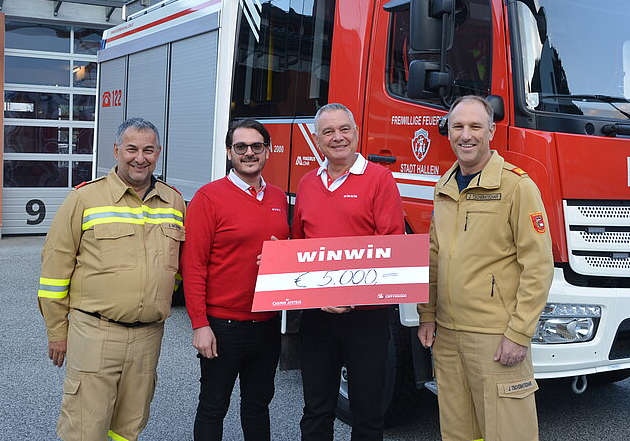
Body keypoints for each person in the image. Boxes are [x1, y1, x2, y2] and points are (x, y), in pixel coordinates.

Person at [37, 117, 185, 441]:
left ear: (158, 152)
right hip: (95, 333)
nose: (140, 157)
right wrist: (57, 332)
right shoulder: (84, 199)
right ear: (117, 150)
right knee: (84, 428)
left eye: (148, 150)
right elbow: (54, 271)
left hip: (148, 338)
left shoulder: (174, 202)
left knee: (128, 428)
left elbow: (181, 268)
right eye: (131, 149)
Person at [416, 96, 554, 441]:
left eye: (476, 126)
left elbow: (538, 266)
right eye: (458, 126)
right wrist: (427, 314)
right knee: (459, 432)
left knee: (507, 432)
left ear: (491, 130)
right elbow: (434, 255)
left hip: (495, 337)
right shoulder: (444, 186)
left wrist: (519, 334)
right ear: (448, 131)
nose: (466, 135)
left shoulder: (517, 187)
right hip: (447, 336)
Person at [292, 103, 404, 441]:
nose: (337, 137)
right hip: (316, 317)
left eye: (344, 129)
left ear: (356, 133)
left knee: (367, 413)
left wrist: (350, 297)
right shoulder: (308, 183)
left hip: (365, 318)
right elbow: (300, 245)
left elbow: (392, 248)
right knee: (316, 410)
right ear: (317, 138)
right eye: (328, 132)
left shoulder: (380, 180)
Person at [180, 119, 290, 441]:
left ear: (267, 151)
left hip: (267, 323)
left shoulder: (278, 198)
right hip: (222, 326)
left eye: (257, 146)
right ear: (229, 153)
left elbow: (288, 250)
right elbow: (193, 266)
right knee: (214, 407)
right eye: (240, 147)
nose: (249, 153)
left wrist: (283, 255)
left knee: (258, 406)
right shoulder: (208, 197)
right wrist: (200, 325)